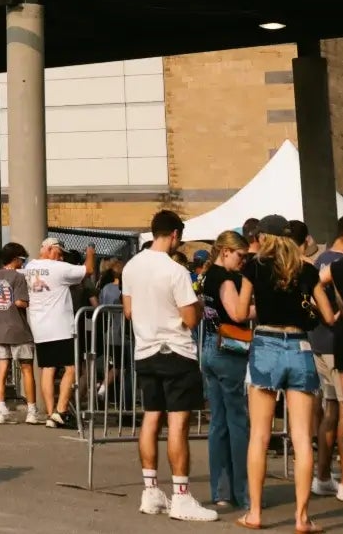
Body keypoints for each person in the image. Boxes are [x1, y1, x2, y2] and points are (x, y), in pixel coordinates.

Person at [233, 214, 336, 532]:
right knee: (303, 438)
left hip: (265, 345)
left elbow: (238, 313)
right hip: (300, 348)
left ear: (265, 237)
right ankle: (302, 518)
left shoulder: (255, 266)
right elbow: (328, 316)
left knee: (259, 436)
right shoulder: (307, 269)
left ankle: (255, 513)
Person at [119, 210, 216, 521]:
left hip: (145, 349)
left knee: (150, 417)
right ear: (174, 234)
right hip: (176, 350)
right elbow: (189, 318)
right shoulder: (175, 271)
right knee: (177, 424)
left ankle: (150, 490)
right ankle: (181, 496)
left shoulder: (131, 267)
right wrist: (198, 307)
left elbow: (128, 310)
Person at [198, 229, 251, 512]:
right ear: (226, 251)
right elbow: (237, 313)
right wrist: (262, 307)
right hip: (228, 350)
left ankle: (221, 491)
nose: (242, 261)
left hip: (209, 346)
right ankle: (243, 493)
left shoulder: (207, 276)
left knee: (218, 424)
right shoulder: (227, 279)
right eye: (240, 255)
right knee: (238, 423)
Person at [310, 211, 343, 501]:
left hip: (320, 342)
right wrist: (335, 314)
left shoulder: (321, 260)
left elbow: (313, 285)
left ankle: (324, 475)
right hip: (336, 342)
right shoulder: (342, 263)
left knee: (331, 410)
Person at [23, 235, 94, 428]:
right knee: (71, 368)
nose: (61, 257)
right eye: (59, 252)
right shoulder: (58, 268)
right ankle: (61, 410)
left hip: (39, 326)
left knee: (47, 369)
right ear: (49, 249)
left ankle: (50, 412)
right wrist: (90, 252)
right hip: (60, 327)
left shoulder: (30, 267)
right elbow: (89, 270)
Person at [0, 243, 40, 425]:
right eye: (23, 260)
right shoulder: (18, 278)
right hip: (18, 330)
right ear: (16, 259)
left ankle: (1, 410)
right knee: (27, 369)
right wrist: (31, 303)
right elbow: (19, 302)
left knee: (1, 370)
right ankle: (32, 410)